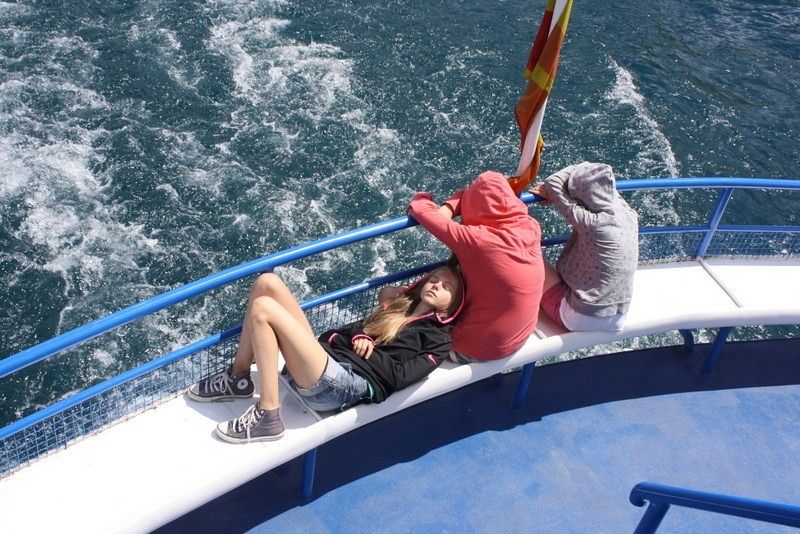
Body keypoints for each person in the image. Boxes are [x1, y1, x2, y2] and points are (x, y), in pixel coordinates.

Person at [187, 267, 464, 443]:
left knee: (263, 309)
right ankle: (238, 377)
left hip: (344, 385)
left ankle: (268, 414)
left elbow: (400, 378)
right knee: (267, 283)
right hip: (327, 361)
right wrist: (359, 336)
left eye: (446, 287)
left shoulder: (438, 340)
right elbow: (340, 333)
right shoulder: (397, 309)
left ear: (452, 305)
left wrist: (365, 352)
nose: (436, 285)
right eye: (434, 279)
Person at [392, 171, 544, 363]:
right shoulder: (530, 226)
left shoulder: (479, 241)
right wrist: (460, 201)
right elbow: (482, 196)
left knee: (391, 297)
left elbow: (421, 209)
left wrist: (442, 204)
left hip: (475, 348)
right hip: (519, 336)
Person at [530, 162, 639, 332]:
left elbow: (553, 182)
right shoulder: (629, 214)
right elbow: (605, 178)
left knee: (529, 254)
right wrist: (561, 194)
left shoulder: (593, 223)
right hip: (618, 315)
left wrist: (560, 190)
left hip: (581, 318)